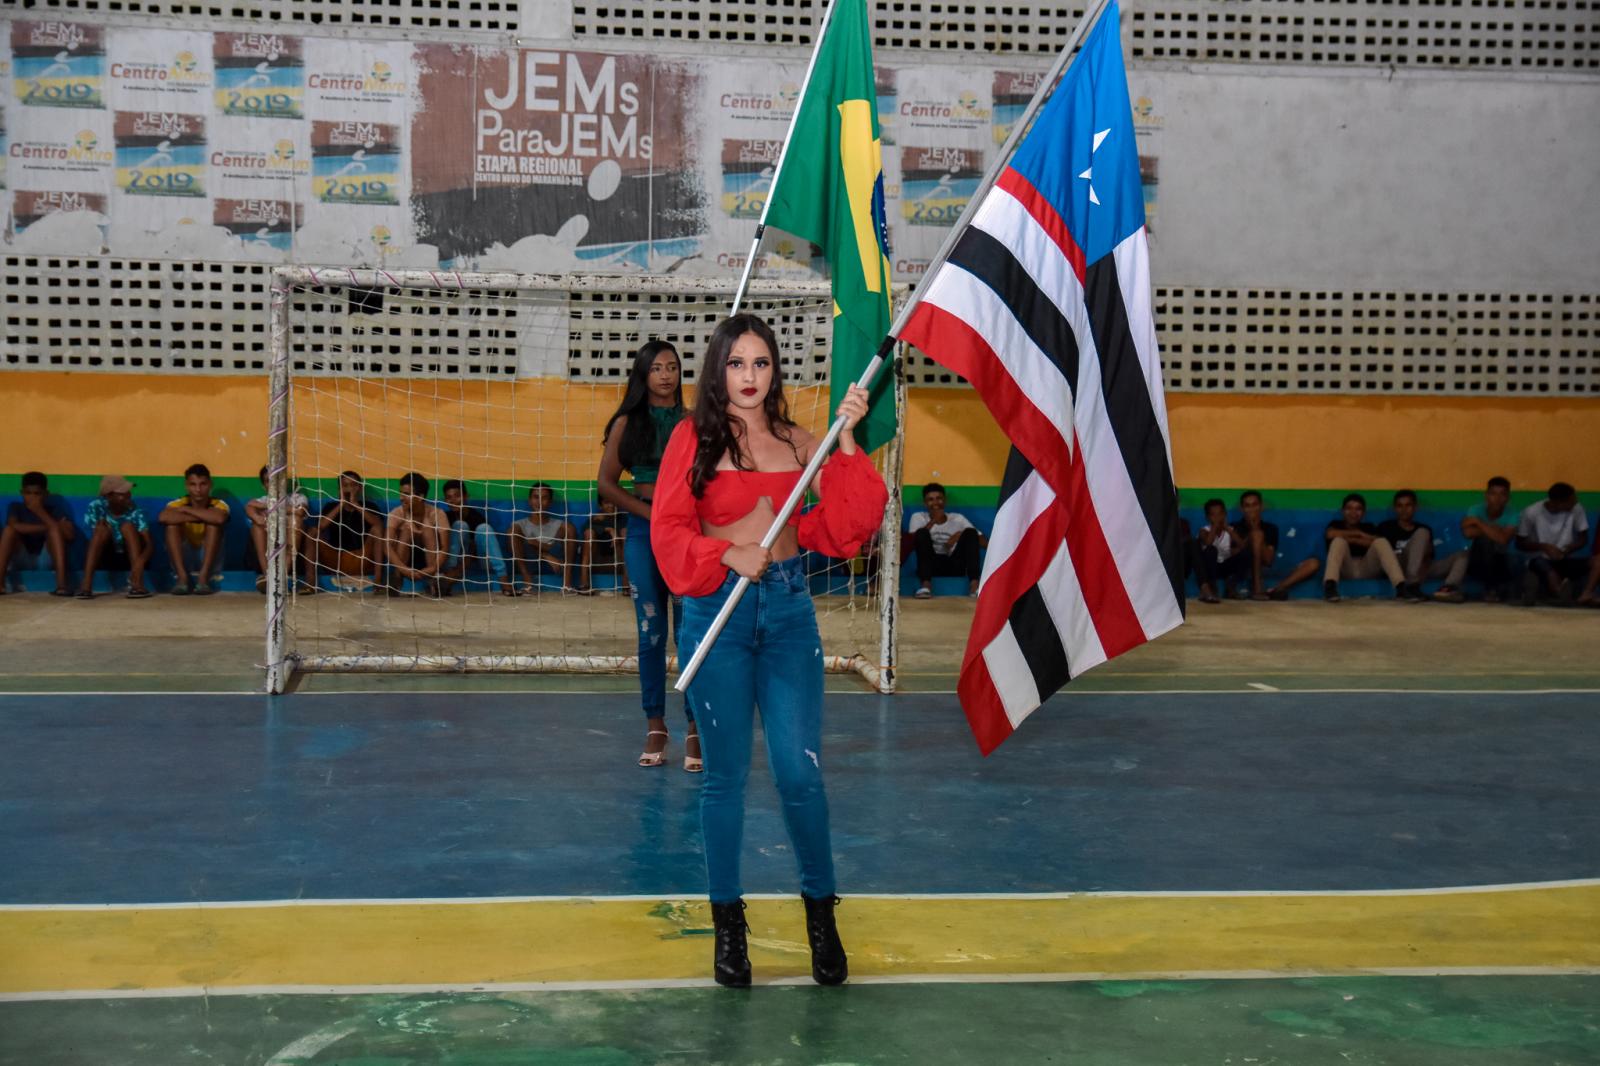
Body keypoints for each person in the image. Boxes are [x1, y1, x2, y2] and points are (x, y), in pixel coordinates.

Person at [652, 314, 888, 989]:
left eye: (761, 364)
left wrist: (844, 445)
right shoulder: (690, 441)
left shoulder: (798, 441)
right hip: (715, 614)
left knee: (799, 774)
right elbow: (669, 531)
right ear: (718, 370)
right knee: (724, 779)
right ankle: (729, 929)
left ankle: (823, 918)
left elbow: (846, 529)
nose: (750, 377)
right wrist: (724, 551)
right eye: (737, 364)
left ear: (774, 371)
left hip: (788, 616)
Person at [597, 340, 694, 768]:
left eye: (672, 367)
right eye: (656, 368)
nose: (666, 375)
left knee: (691, 633)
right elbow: (607, 484)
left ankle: (695, 725)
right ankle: (656, 723)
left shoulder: (694, 422)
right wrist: (651, 516)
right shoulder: (626, 423)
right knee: (651, 631)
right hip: (643, 531)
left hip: (688, 533)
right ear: (643, 375)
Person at [1267, 493, 1405, 601]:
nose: (1353, 513)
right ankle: (1330, 586)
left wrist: (1355, 538)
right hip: (1345, 568)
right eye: (1349, 508)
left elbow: (1376, 542)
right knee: (1339, 541)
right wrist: (1358, 535)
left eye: (1358, 509)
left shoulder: (1370, 527)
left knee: (1381, 543)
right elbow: (1330, 534)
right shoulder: (1335, 524)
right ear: (1343, 511)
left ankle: (1400, 586)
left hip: (1367, 567)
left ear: (1363, 513)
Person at [1432, 476, 1516, 603]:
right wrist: (1494, 530)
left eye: (1502, 494)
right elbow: (1467, 532)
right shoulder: (1476, 509)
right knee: (1479, 545)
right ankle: (1454, 588)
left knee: (1499, 549)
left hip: (1500, 561)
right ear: (1486, 495)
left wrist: (1479, 523)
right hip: (1477, 560)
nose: (1497, 499)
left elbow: (1504, 539)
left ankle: (1493, 588)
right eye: (1493, 494)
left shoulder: (1513, 514)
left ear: (1508, 497)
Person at [0, 472, 76, 596]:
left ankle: (62, 586)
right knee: (9, 531)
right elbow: (13, 526)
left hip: (46, 558)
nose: (32, 498)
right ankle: (0, 584)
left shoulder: (54, 509)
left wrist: (40, 512)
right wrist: (50, 526)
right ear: (22, 493)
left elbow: (70, 535)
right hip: (21, 556)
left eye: (37, 494)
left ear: (45, 494)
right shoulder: (16, 507)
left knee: (54, 532)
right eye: (28, 493)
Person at [159, 463, 230, 595]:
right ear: (187, 485)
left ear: (210, 485)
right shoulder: (177, 503)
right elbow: (163, 517)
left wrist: (187, 511)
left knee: (213, 526)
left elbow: (219, 519)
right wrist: (204, 515)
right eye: (193, 484)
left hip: (209, 557)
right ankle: (182, 578)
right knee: (171, 527)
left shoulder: (219, 504)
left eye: (203, 484)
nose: (198, 489)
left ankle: (203, 579)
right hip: (186, 554)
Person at [77, 476, 153, 599]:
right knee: (101, 530)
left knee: (127, 527)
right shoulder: (97, 506)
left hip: (130, 556)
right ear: (109, 496)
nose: (128, 495)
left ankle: (137, 585)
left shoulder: (135, 510)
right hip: (106, 554)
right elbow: (95, 536)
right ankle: (86, 586)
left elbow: (149, 544)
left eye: (128, 492)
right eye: (122, 494)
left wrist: (141, 561)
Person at [905, 482, 984, 598]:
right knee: (921, 533)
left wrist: (960, 535)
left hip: (955, 563)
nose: (935, 502)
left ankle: (974, 586)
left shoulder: (958, 518)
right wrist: (933, 521)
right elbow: (911, 542)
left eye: (939, 498)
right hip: (930, 565)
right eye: (930, 499)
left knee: (971, 532)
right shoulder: (918, 517)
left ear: (945, 501)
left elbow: (983, 542)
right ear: (925, 503)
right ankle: (926, 586)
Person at [1516, 482, 1590, 604]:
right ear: (1558, 503)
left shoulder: (1577, 509)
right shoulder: (1531, 512)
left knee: (1596, 562)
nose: (1575, 502)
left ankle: (1585, 594)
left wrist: (1569, 549)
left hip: (1564, 558)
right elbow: (1520, 543)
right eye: (1572, 500)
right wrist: (1544, 547)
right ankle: (1558, 591)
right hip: (1538, 559)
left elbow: (1583, 539)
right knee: (1546, 568)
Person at [439, 479, 516, 596]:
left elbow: (473, 552)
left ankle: (503, 579)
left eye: (457, 496)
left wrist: (459, 570)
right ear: (445, 500)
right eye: (449, 497)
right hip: (450, 562)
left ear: (466, 497)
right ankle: (448, 575)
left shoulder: (477, 518)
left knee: (484, 528)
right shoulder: (445, 517)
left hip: (477, 561)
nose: (453, 501)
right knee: (460, 525)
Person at [309, 471, 386, 586]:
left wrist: (355, 504)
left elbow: (378, 525)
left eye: (353, 485)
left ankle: (378, 582)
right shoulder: (330, 507)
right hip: (336, 560)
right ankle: (310, 583)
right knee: (312, 531)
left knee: (377, 529)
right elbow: (320, 527)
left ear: (359, 488)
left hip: (363, 558)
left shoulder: (370, 506)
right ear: (339, 489)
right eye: (345, 486)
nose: (349, 489)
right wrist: (341, 505)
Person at [245, 465, 314, 593]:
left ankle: (281, 577)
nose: (273, 484)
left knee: (295, 520)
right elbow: (249, 508)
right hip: (268, 552)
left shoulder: (297, 498)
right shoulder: (261, 500)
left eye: (277, 480)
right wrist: (260, 517)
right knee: (256, 527)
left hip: (294, 554)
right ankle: (268, 575)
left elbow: (300, 512)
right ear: (263, 485)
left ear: (284, 481)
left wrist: (271, 506)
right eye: (268, 481)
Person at [386, 472, 450, 595]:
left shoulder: (437, 513)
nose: (401, 498)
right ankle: (397, 577)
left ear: (420, 496)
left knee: (428, 530)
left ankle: (434, 578)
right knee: (406, 531)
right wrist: (403, 569)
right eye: (401, 493)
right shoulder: (396, 513)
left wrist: (433, 568)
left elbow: (444, 547)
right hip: (404, 561)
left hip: (430, 561)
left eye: (406, 494)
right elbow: (387, 546)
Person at [511, 482, 580, 593]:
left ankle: (567, 583)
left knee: (570, 529)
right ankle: (528, 583)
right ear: (529, 501)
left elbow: (548, 546)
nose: (539, 502)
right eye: (535, 497)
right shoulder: (519, 525)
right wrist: (546, 555)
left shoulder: (560, 525)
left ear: (550, 502)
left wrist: (538, 545)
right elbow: (525, 545)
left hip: (557, 565)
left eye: (544, 498)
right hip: (531, 563)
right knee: (513, 534)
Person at [1376, 489, 1433, 602]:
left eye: (1408, 505)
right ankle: (1411, 586)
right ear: (1395, 508)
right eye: (1399, 506)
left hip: (1418, 568)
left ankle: (1448, 589)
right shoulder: (1385, 527)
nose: (1404, 510)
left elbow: (1428, 557)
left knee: (1461, 556)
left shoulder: (1423, 530)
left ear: (1415, 507)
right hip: (1394, 565)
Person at [1193, 498, 1246, 604]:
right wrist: (1214, 527)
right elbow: (1208, 543)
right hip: (1210, 568)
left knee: (1246, 554)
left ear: (1225, 514)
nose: (1218, 518)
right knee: (1211, 550)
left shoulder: (1230, 530)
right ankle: (1212, 587)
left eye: (1220, 514)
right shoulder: (1204, 530)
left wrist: (1227, 529)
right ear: (1208, 517)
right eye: (1213, 515)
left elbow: (1242, 545)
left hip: (1224, 567)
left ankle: (1231, 586)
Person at [1234, 490, 1280, 600]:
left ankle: (1266, 588)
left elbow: (1268, 559)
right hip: (1242, 565)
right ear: (1241, 509)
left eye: (1255, 505)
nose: (1251, 510)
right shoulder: (1235, 527)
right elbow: (1232, 553)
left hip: (1263, 564)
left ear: (1261, 506)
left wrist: (1255, 529)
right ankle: (1258, 588)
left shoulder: (1271, 528)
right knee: (1256, 534)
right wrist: (1249, 539)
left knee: (1257, 534)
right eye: (1247, 506)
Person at [577, 499, 627, 594]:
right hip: (596, 563)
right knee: (589, 533)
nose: (611, 505)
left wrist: (615, 532)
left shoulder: (623, 519)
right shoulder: (595, 519)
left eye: (614, 502)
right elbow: (584, 529)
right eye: (607, 502)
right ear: (600, 506)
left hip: (618, 562)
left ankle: (626, 582)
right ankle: (584, 581)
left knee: (625, 532)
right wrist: (608, 529)